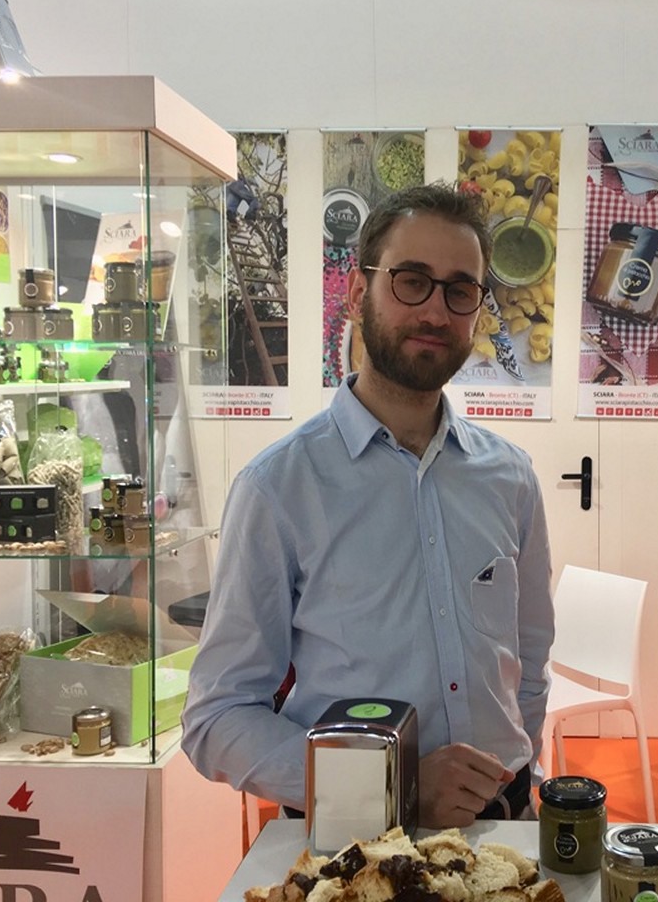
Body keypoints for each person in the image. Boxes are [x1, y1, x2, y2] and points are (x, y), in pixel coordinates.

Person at [182, 182, 554, 827]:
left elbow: (529, 659)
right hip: (356, 838)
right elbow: (217, 717)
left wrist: (519, 777)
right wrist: (391, 784)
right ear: (358, 294)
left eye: (460, 290)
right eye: (411, 281)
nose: (435, 311)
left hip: (502, 823)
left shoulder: (509, 476)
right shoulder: (279, 487)